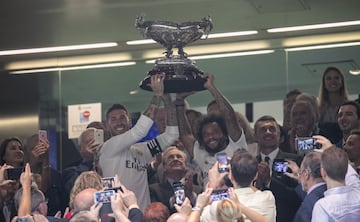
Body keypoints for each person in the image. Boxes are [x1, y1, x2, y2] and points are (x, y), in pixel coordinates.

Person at [99, 74, 179, 211]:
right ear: (107, 126)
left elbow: (171, 135)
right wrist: (156, 95)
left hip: (143, 216)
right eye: (113, 119)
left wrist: (167, 99)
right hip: (118, 217)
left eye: (122, 117)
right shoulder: (108, 148)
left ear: (129, 121)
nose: (119, 122)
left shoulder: (142, 150)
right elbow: (140, 131)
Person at [175, 74, 247, 184]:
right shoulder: (200, 152)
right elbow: (185, 135)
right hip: (209, 201)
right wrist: (180, 101)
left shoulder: (236, 146)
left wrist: (211, 88)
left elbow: (230, 116)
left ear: (224, 133)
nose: (211, 137)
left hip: (235, 200)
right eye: (206, 135)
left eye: (215, 132)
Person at [203, 149, 276, 222]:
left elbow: (203, 216)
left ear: (230, 176)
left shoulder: (219, 205)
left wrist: (212, 185)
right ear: (256, 175)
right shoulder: (267, 198)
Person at [254, 115, 302, 222]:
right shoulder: (251, 164)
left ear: (280, 136)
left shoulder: (294, 161)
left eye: (272, 129)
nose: (268, 132)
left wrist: (269, 180)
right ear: (255, 137)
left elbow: (297, 196)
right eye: (263, 129)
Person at [311, 147, 360, 221]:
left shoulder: (323, 207)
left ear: (323, 173)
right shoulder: (358, 194)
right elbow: (353, 176)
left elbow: (352, 176)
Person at [149, 147, 202, 213]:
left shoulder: (199, 190)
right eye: (170, 157)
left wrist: (191, 195)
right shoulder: (154, 190)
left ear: (185, 165)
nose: (175, 159)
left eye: (179, 157)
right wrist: (174, 199)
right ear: (164, 167)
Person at [24, 134, 66, 216]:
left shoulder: (56, 176)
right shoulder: (22, 176)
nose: (39, 152)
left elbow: (63, 203)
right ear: (26, 153)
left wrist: (46, 161)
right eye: (34, 149)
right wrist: (32, 164)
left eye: (42, 148)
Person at [285, 151, 326, 222]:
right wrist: (300, 178)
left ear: (306, 174)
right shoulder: (330, 193)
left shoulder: (308, 207)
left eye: (301, 172)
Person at [63, 128, 103, 197]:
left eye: (95, 141)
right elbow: (73, 189)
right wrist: (89, 158)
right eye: (89, 142)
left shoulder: (110, 164)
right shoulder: (71, 171)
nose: (94, 145)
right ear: (80, 148)